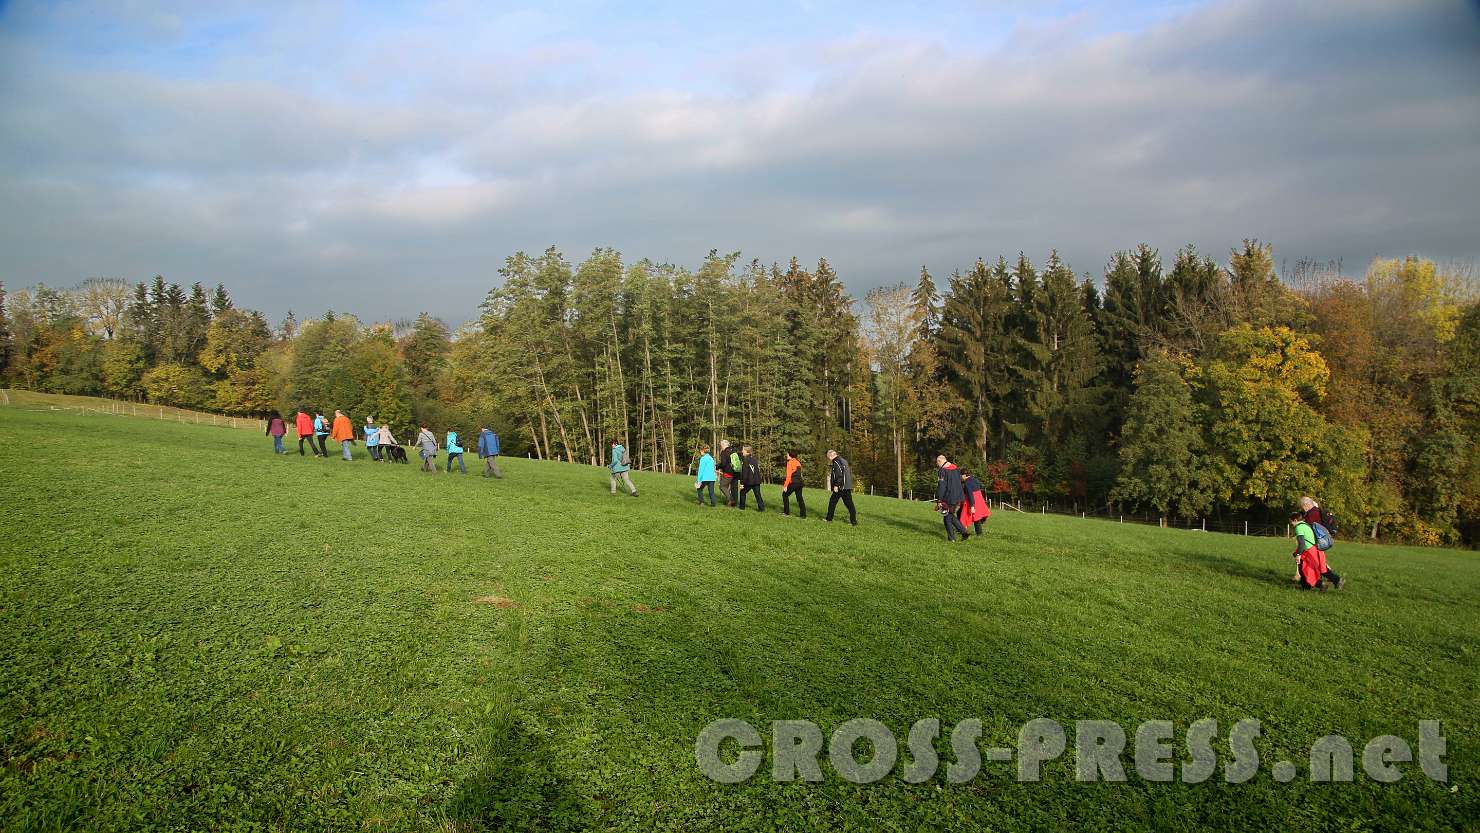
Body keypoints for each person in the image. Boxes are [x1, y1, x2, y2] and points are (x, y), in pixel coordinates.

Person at [1290, 510, 1344, 590]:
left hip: (1311, 551)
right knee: (1305, 568)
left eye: (1291, 522)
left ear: (1295, 520)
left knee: (1321, 570)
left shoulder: (1299, 527)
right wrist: (1297, 553)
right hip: (1314, 550)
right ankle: (1307, 586)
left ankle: (1334, 581)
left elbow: (1302, 543)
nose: (1291, 524)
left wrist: (1298, 555)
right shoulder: (1305, 525)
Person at [935, 455, 971, 541]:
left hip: (948, 497)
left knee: (947, 517)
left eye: (937, 463)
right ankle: (964, 533)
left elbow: (942, 486)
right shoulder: (955, 468)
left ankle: (952, 539)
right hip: (958, 496)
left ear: (940, 461)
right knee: (949, 515)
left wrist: (939, 499)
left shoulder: (942, 471)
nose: (937, 465)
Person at [825, 450, 857, 525]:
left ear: (830, 455)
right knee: (849, 504)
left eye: (828, 457)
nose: (829, 459)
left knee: (832, 502)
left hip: (840, 486)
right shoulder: (843, 460)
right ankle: (853, 521)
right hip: (847, 486)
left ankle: (829, 519)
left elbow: (839, 474)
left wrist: (836, 485)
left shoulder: (836, 461)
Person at [961, 468, 990, 534]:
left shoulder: (967, 483)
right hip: (979, 499)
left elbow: (970, 494)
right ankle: (983, 519)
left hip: (972, 500)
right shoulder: (975, 479)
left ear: (964, 475)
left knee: (975, 517)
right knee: (978, 515)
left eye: (961, 475)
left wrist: (972, 506)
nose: (960, 477)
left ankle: (978, 533)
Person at [738, 445, 764, 511]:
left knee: (742, 493)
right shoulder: (754, 459)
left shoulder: (745, 460)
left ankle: (742, 507)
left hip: (749, 481)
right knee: (758, 495)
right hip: (756, 481)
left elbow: (744, 473)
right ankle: (762, 509)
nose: (742, 451)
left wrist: (742, 483)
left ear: (747, 452)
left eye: (743, 450)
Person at [781, 450, 805, 518]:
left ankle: (786, 513)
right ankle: (803, 515)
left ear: (790, 456)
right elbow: (800, 474)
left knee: (784, 495)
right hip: (800, 483)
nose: (786, 456)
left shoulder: (790, 463)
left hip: (794, 483)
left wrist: (785, 486)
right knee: (800, 498)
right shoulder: (798, 462)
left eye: (787, 455)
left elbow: (788, 476)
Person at [716, 439, 737, 506]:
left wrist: (717, 466)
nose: (720, 446)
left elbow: (724, 464)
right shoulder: (733, 451)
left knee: (722, 486)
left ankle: (731, 500)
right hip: (735, 472)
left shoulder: (724, 452)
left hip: (728, 472)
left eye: (721, 445)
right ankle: (731, 502)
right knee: (732, 488)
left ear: (723, 445)